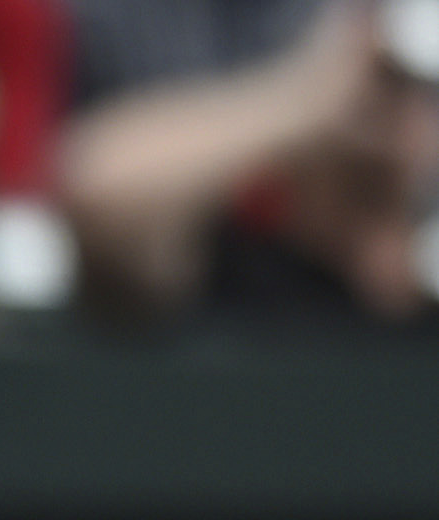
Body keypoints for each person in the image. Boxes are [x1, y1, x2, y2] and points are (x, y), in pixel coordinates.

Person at [57, 0, 439, 325]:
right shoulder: (129, 21)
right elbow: (97, 192)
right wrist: (314, 99)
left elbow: (390, 277)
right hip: (212, 350)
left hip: (374, 361)